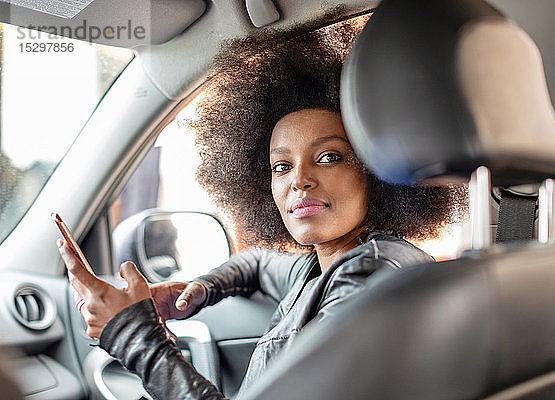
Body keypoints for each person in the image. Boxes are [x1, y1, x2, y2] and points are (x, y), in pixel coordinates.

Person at [57, 15, 464, 400]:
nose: (298, 180)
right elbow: (257, 263)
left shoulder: (366, 280)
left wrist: (133, 335)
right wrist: (198, 290)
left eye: (328, 157)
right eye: (281, 166)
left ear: (373, 170)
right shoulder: (328, 265)